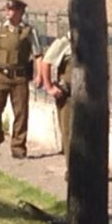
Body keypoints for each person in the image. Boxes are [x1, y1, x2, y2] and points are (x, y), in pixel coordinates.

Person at [0, 0, 43, 159]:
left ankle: (18, 147)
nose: (8, 12)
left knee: (21, 113)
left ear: (21, 12)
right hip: (0, 76)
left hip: (20, 78)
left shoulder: (29, 31)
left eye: (12, 9)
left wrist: (39, 75)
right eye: (7, 9)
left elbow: (38, 55)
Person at [41, 31, 72, 165]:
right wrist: (49, 87)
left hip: (86, 98)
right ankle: (72, 169)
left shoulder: (90, 40)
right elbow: (46, 62)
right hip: (68, 96)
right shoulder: (64, 42)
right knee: (68, 133)